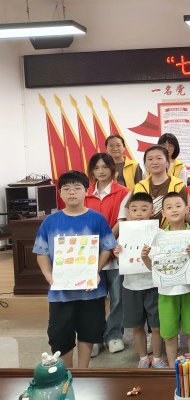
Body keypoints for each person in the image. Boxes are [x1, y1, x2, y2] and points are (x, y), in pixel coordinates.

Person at [33, 170, 117, 368]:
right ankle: (68, 373)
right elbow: (41, 252)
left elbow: (106, 248)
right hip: (61, 292)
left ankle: (83, 371)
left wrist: (95, 271)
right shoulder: (50, 221)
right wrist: (48, 275)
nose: (72, 192)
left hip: (91, 290)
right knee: (60, 335)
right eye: (66, 188)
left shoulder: (97, 219)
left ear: (86, 191)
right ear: (60, 193)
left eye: (77, 188)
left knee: (89, 331)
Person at [141, 192, 190, 367]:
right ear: (163, 213)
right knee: (169, 334)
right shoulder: (158, 237)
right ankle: (172, 368)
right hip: (166, 293)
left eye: (178, 206)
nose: (174, 210)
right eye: (169, 207)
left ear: (186, 209)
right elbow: (153, 268)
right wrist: (145, 257)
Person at [113, 192, 167, 368]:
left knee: (157, 326)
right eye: (134, 209)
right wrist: (118, 254)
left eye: (144, 209)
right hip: (131, 286)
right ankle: (143, 358)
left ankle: (157, 358)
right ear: (128, 211)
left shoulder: (159, 233)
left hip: (153, 285)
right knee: (136, 326)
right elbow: (120, 261)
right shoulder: (123, 235)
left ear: (152, 211)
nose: (138, 213)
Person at [84, 153, 130, 355]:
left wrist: (107, 245)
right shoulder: (85, 194)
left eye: (105, 167)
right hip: (91, 254)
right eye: (96, 168)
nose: (101, 171)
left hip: (116, 253)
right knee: (94, 298)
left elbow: (122, 221)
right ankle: (95, 337)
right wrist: (97, 247)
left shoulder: (124, 192)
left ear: (113, 169)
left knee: (118, 297)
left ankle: (113, 335)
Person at [132, 145, 190, 229]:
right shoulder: (139, 187)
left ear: (167, 162)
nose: (155, 162)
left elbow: (189, 217)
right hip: (145, 233)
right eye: (150, 159)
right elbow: (129, 212)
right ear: (145, 164)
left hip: (171, 233)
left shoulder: (178, 185)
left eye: (159, 158)